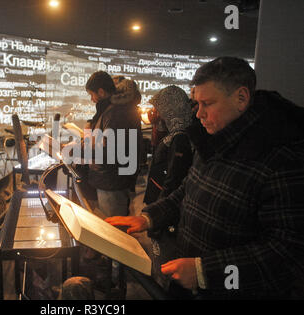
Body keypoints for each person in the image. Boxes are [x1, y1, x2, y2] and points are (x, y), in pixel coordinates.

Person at [106, 57, 304, 299]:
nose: (199, 114)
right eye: (196, 103)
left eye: (207, 103)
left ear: (241, 98)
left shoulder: (282, 158)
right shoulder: (212, 139)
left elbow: (288, 251)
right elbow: (188, 190)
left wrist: (205, 271)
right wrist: (149, 218)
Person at [82, 71, 142, 218]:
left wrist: (80, 152)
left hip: (111, 181)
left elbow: (110, 151)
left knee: (113, 230)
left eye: (92, 95)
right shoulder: (111, 111)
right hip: (109, 179)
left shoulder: (115, 113)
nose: (92, 99)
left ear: (101, 92)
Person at [143, 85, 194, 204]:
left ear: (170, 109)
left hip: (163, 201)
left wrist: (159, 208)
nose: (159, 115)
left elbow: (174, 178)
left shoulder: (180, 137)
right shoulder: (173, 133)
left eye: (160, 110)